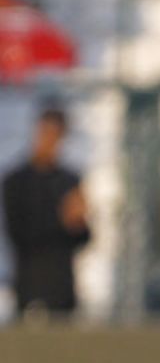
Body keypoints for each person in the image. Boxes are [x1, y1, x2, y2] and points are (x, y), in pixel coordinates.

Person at [2, 106, 91, 315]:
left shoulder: (69, 180)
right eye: (45, 132)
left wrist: (78, 222)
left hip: (63, 289)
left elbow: (83, 238)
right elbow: (19, 233)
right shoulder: (16, 181)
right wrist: (61, 219)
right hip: (29, 286)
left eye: (55, 134)